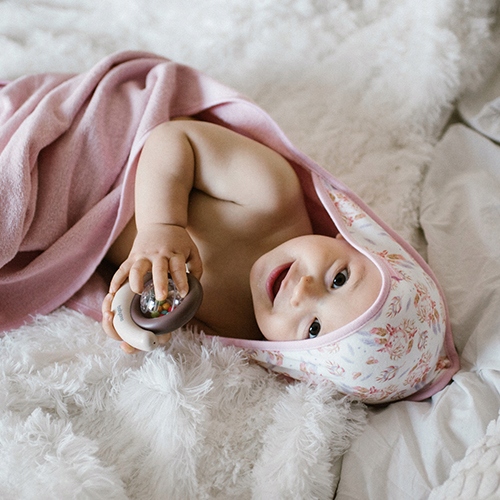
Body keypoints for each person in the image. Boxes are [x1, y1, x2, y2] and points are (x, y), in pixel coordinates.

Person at [0, 51, 458, 403]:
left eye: (314, 329)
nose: (302, 292)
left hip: (80, 226)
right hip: (113, 152)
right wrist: (161, 226)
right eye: (339, 278)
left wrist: (132, 313)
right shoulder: (272, 197)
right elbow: (173, 138)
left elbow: (150, 292)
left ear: (295, 360)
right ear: (350, 238)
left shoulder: (243, 326)